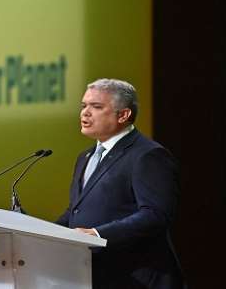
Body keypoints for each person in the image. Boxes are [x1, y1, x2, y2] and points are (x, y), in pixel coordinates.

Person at [56, 78, 183, 288]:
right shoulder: (85, 157)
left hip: (137, 278)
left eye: (96, 106)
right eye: (84, 105)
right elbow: (74, 213)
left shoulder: (148, 155)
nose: (85, 113)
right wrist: (38, 232)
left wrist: (97, 234)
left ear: (123, 114)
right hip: (93, 275)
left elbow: (155, 215)